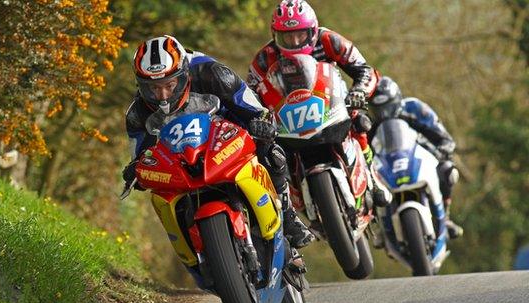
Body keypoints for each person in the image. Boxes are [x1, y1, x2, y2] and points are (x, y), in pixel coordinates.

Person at [122, 35, 314, 249]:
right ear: (141, 85)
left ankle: (288, 216)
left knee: (270, 149)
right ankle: (190, 246)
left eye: (169, 84)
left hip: (227, 131)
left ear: (184, 74)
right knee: (160, 194)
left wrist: (261, 122)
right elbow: (141, 155)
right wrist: (135, 172)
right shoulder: (137, 113)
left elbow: (253, 107)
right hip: (182, 156)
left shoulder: (213, 74)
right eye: (153, 88)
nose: (163, 95)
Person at [247, 0, 391, 207]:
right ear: (274, 35)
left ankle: (372, 176)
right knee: (269, 153)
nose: (294, 42)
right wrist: (259, 119)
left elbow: (364, 70)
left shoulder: (329, 40)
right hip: (289, 119)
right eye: (286, 37)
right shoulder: (264, 58)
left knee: (360, 121)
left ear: (312, 30)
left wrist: (359, 92)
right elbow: (248, 95)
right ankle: (287, 203)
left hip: (330, 104)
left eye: (301, 35)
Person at [368, 76, 464, 239]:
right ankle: (380, 228)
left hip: (422, 159)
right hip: (387, 168)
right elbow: (364, 153)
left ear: (397, 99)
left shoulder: (414, 108)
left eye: (388, 107)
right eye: (378, 109)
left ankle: (445, 218)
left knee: (448, 170)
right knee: (367, 189)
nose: (384, 114)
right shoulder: (368, 124)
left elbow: (440, 133)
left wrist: (444, 147)